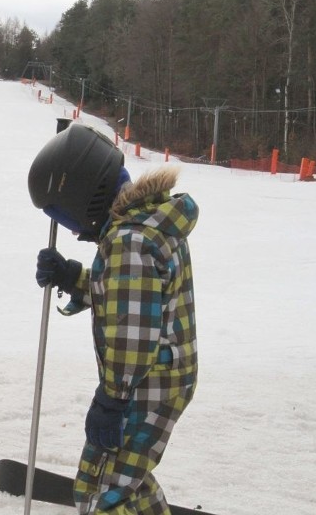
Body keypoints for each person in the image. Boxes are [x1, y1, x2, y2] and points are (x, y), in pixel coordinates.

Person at [27, 124, 198, 515]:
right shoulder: (144, 225)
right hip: (161, 373)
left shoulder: (128, 241)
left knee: (105, 491)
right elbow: (132, 301)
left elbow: (133, 333)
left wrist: (113, 398)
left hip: (145, 379)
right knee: (116, 476)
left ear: (83, 197)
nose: (72, 230)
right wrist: (73, 277)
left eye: (66, 218)